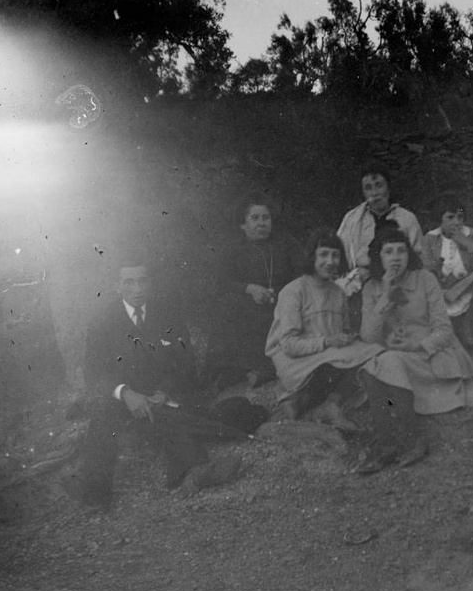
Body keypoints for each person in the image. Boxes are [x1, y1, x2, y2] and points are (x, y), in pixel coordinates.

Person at [65, 252, 241, 511]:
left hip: (159, 393)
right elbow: (94, 372)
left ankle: (193, 472)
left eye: (142, 281)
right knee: (102, 415)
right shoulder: (102, 320)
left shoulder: (168, 314)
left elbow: (185, 362)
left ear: (151, 283)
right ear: (117, 285)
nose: (137, 289)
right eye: (129, 282)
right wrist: (125, 393)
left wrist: (163, 392)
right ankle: (95, 494)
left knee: (175, 411)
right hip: (119, 396)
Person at [355, 227, 473, 473]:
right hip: (399, 366)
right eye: (388, 252)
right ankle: (391, 443)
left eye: (401, 251)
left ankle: (406, 440)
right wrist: (384, 295)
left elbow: (444, 330)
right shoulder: (372, 288)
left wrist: (415, 345)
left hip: (431, 358)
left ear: (408, 255)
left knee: (383, 363)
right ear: (378, 257)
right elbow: (368, 336)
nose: (395, 257)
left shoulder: (425, 279)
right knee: (375, 367)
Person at [265, 229, 384, 430]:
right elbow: (289, 345)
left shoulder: (338, 292)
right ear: (311, 256)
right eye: (323, 255)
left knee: (374, 353)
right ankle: (298, 395)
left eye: (335, 255)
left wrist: (346, 337)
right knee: (364, 357)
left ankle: (330, 404)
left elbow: (342, 331)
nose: (330, 261)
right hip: (297, 359)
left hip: (326, 355)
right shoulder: (293, 291)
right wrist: (328, 341)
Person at [213, 194, 303, 388]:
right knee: (228, 305)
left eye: (265, 218)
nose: (261, 223)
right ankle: (232, 369)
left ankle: (265, 368)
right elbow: (221, 280)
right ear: (243, 224)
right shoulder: (234, 249)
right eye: (255, 218)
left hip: (282, 305)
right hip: (248, 306)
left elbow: (301, 276)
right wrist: (249, 288)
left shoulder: (287, 243)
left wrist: (282, 294)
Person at [419, 192, 473, 352]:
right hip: (442, 291)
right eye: (450, 217)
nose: (457, 222)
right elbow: (426, 268)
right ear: (440, 219)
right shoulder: (430, 238)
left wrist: (465, 241)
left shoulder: (471, 234)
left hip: (470, 290)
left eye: (460, 217)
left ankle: (469, 321)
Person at [335, 165, 424, 298]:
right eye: (368, 188)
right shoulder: (352, 219)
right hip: (360, 285)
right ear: (363, 193)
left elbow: (418, 257)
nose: (374, 193)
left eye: (379, 185)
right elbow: (341, 251)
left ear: (388, 189)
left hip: (399, 283)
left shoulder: (407, 219)